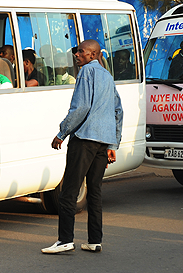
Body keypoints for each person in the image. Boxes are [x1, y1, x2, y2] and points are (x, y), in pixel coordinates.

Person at [41, 39, 123, 254]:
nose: (76, 55)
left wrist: (61, 133)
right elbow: (118, 111)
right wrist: (113, 142)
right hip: (102, 143)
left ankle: (65, 240)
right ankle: (95, 240)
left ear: (92, 55)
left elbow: (82, 106)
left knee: (68, 191)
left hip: (85, 139)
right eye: (77, 51)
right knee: (94, 191)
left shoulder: (87, 72)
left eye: (81, 52)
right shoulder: (107, 75)